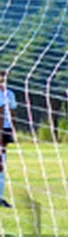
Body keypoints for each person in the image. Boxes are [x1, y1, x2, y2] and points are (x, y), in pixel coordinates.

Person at [0, 70, 17, 208]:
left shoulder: (9, 93)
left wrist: (12, 128)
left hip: (5, 129)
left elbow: (12, 111)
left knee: (1, 162)